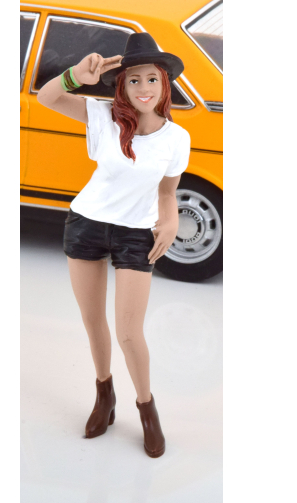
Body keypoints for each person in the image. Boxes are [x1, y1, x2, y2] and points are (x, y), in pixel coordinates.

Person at [36, 32, 190, 458]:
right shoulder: (103, 115)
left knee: (129, 332)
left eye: (151, 79)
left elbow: (166, 192)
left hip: (135, 233)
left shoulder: (176, 138)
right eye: (133, 80)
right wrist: (76, 74)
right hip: (87, 223)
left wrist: (171, 219)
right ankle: (104, 395)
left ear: (164, 83)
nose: (143, 88)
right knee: (93, 321)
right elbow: (47, 97)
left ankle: (146, 408)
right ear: (121, 85)